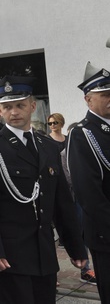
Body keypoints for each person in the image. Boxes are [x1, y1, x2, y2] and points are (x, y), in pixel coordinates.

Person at [0, 76, 86, 304]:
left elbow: (61, 202)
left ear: (32, 106)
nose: (14, 112)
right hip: (10, 255)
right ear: (0, 111)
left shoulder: (48, 145)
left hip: (44, 252)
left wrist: (75, 246)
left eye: (20, 105)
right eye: (7, 107)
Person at [67, 63, 110, 302]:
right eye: (105, 95)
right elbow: (88, 193)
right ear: (88, 100)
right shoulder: (83, 134)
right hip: (107, 233)